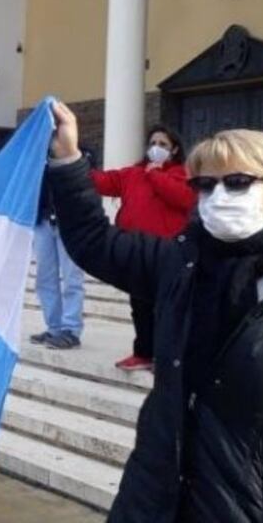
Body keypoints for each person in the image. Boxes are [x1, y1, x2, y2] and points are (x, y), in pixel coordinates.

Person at [49, 103, 263, 522]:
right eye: (204, 185)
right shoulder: (179, 263)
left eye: (237, 182)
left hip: (246, 506)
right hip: (154, 495)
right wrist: (69, 157)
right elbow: (94, 240)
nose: (218, 197)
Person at [90, 124, 196, 371]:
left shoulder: (183, 174)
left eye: (163, 144)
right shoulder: (132, 173)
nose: (156, 148)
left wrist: (155, 175)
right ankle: (143, 353)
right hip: (135, 250)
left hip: (168, 251)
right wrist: (72, 162)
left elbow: (184, 200)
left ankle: (168, 356)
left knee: (166, 307)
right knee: (140, 306)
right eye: (153, 143)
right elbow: (103, 182)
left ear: (175, 149)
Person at [29, 150, 95, 351]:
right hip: (43, 221)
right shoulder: (37, 155)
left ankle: (71, 329)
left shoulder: (80, 154)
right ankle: (54, 327)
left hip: (70, 223)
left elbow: (86, 184)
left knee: (71, 278)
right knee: (44, 278)